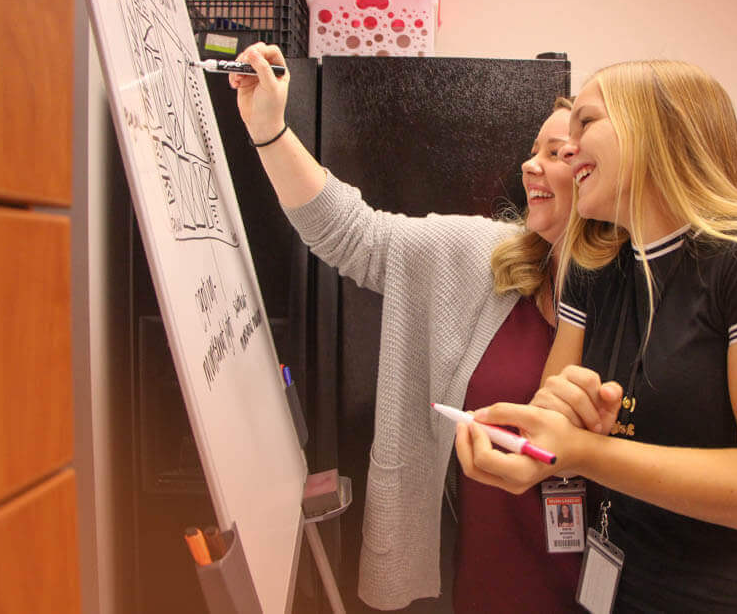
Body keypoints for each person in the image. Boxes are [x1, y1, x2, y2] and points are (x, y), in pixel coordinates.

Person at [230, 42, 615, 612]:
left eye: (556, 153)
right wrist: (270, 131)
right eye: (533, 150)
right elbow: (354, 233)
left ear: (597, 168)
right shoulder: (488, 257)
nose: (531, 165)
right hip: (488, 579)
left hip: (613, 584)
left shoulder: (638, 290)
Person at [455, 59, 737, 612]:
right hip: (620, 593)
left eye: (586, 124)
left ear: (659, 129)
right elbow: (555, 422)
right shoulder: (593, 268)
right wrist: (531, 443)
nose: (567, 150)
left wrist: (584, 451)